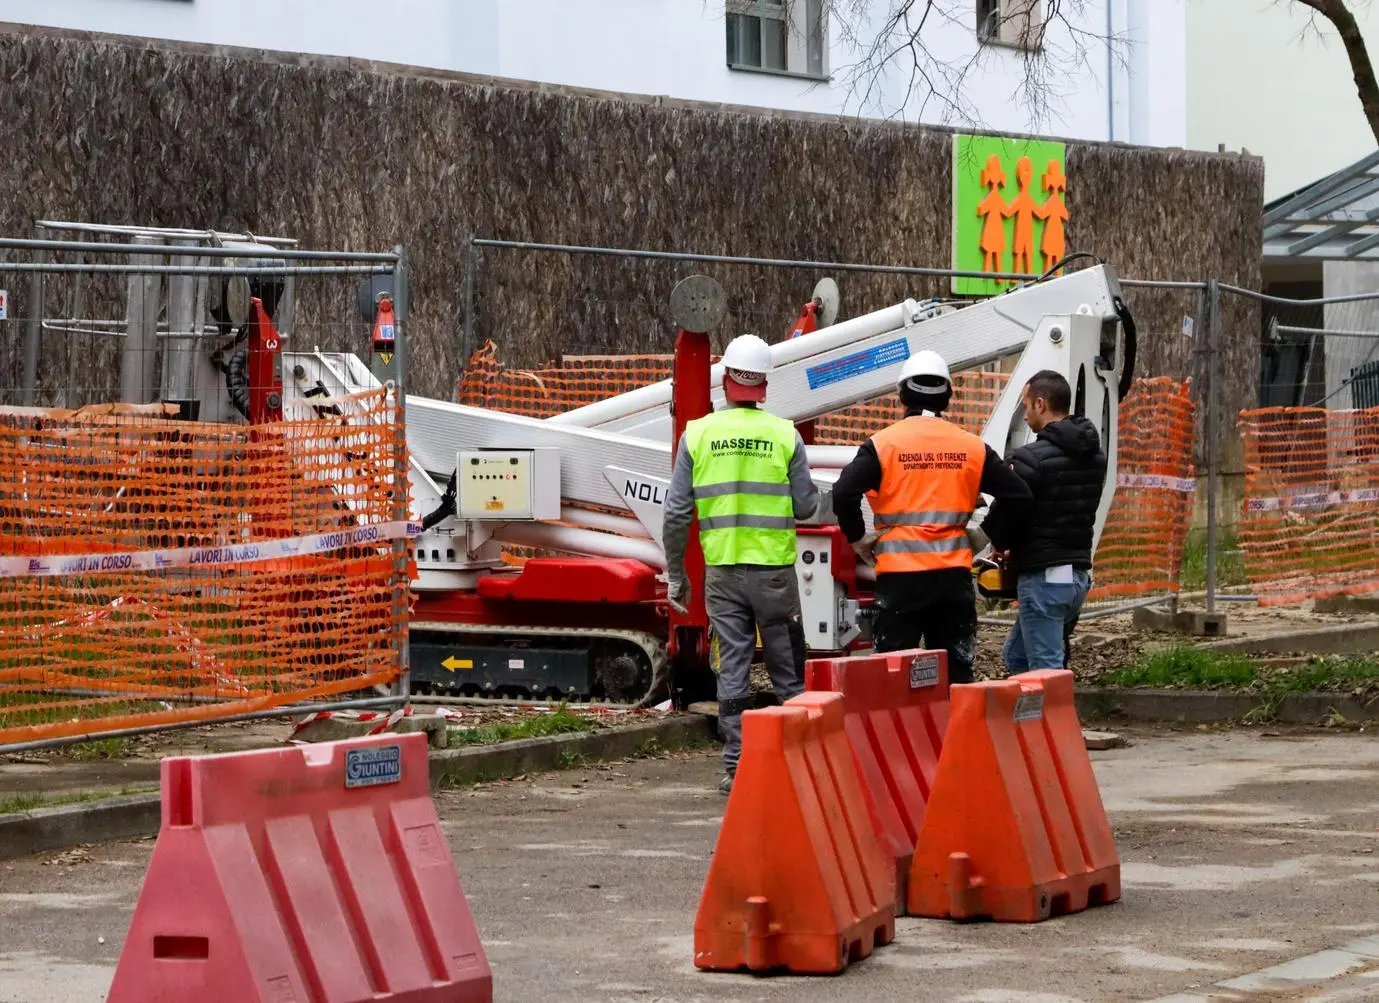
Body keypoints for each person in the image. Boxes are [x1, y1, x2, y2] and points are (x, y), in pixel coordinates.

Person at [661, 333, 819, 795]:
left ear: (726, 380)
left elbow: (675, 513)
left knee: (732, 669)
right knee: (787, 671)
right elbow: (807, 507)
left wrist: (677, 574)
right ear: (763, 387)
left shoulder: (698, 434)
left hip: (723, 575)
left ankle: (736, 767)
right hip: (773, 575)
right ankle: (796, 763)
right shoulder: (784, 435)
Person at [831, 350, 1031, 685]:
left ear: (900, 396)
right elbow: (1019, 494)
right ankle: (956, 734)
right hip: (953, 579)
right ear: (949, 397)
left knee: (892, 675)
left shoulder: (882, 446)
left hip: (900, 581)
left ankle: (898, 737)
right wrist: (985, 533)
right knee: (956, 674)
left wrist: (858, 539)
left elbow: (843, 493)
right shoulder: (971, 447)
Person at [985, 369, 1108, 673]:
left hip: (1044, 580)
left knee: (1045, 670)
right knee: (1017, 656)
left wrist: (999, 542)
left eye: (1026, 406)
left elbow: (1009, 511)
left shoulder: (1029, 459)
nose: (1025, 415)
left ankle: (1051, 720)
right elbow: (1059, 510)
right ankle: (1027, 719)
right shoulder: (1096, 458)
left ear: (1040, 404)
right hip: (1077, 577)